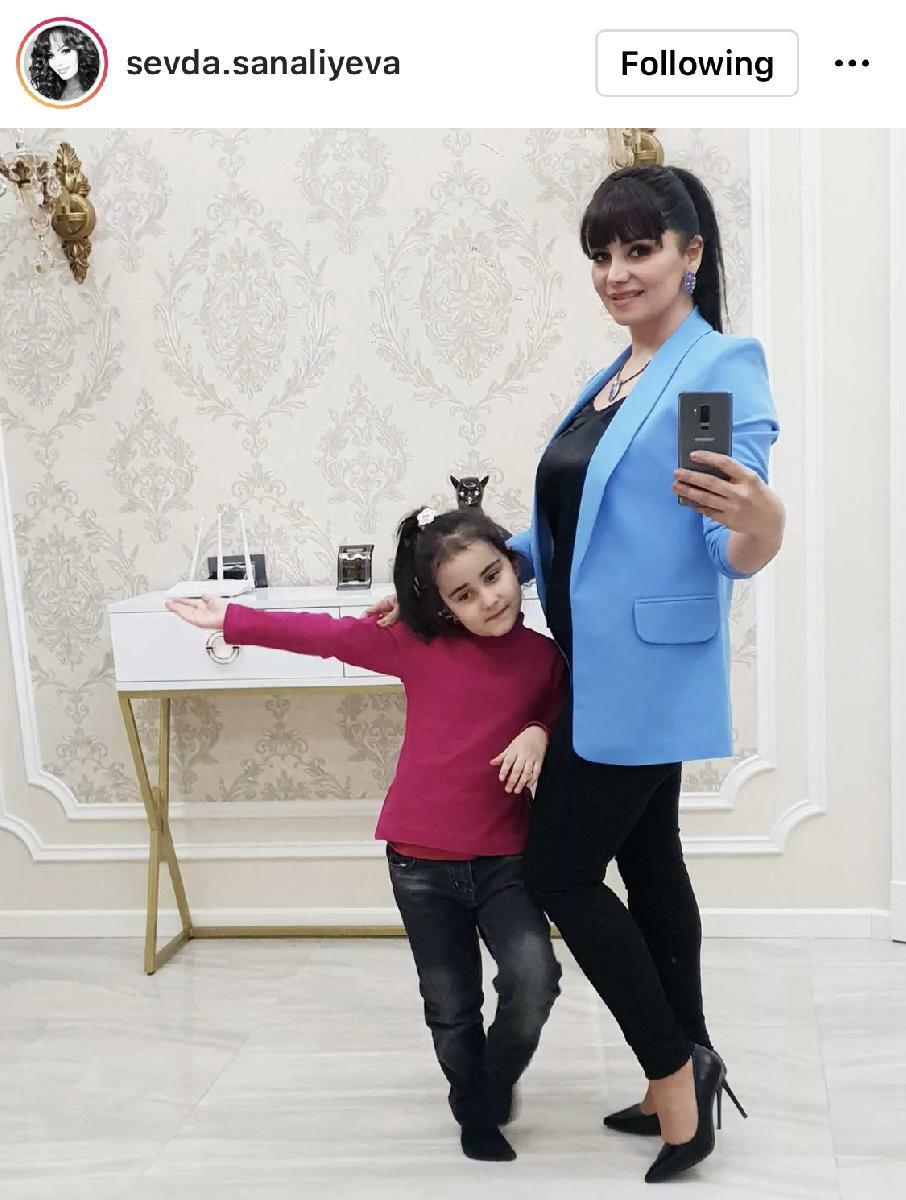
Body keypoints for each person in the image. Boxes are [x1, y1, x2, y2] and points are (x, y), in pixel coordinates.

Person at [369, 164, 784, 1183]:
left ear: (691, 253)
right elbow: (570, 527)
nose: (616, 271)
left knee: (558, 874)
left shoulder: (709, 370)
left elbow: (720, 527)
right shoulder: (619, 375)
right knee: (651, 865)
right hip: (593, 670)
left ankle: (677, 1082)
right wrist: (450, 585)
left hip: (645, 678)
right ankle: (686, 1065)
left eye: (640, 249)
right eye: (602, 254)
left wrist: (763, 527)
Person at [166, 506, 566, 1164]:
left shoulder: (546, 658)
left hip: (505, 859)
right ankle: (473, 1108)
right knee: (451, 1004)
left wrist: (538, 731)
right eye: (463, 595)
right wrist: (231, 619)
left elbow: (561, 709)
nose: (488, 599)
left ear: (513, 564)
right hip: (419, 865)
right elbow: (323, 636)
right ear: (441, 605)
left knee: (535, 978)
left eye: (493, 577)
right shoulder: (416, 645)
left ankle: (490, 1086)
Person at [28, 26, 100, 102]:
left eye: (65, 51)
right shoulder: (50, 93)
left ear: (80, 50)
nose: (58, 63)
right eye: (50, 56)